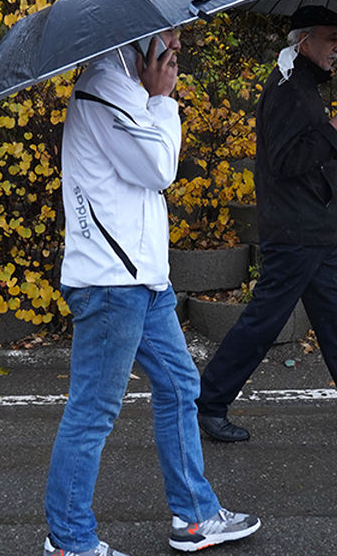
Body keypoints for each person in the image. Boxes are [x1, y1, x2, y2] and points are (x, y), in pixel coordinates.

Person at [43, 29, 261, 556]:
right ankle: (69, 540)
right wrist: (162, 101)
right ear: (137, 43)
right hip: (112, 283)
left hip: (142, 278)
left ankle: (195, 517)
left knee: (180, 386)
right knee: (93, 410)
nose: (176, 53)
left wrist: (153, 99)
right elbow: (160, 169)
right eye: (168, 43)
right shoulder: (103, 92)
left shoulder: (125, 87)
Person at [196, 5, 337, 442]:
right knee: (264, 321)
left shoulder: (300, 84)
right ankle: (208, 404)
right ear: (304, 42)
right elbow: (282, 161)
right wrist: (333, 131)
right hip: (295, 230)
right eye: (331, 38)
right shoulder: (287, 89)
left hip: (311, 228)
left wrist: (328, 130)